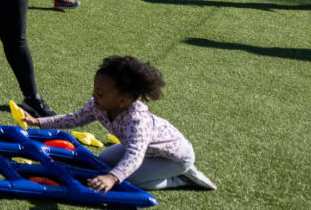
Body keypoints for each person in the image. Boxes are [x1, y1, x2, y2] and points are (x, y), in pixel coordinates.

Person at [19, 56, 214, 192]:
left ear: (123, 100)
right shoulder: (98, 105)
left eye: (101, 93)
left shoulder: (137, 122)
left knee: (130, 178)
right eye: (95, 90)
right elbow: (73, 119)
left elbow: (134, 156)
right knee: (104, 160)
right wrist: (37, 121)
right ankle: (160, 174)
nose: (94, 96)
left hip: (175, 158)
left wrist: (112, 178)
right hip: (146, 150)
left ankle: (179, 178)